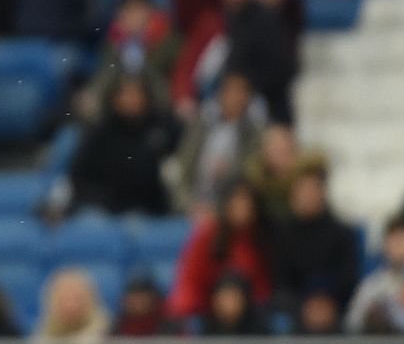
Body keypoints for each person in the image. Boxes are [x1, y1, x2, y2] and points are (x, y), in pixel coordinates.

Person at [63, 76, 177, 217]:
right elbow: (79, 177)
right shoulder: (100, 133)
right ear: (114, 98)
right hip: (100, 208)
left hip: (145, 212)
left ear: (147, 98)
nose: (130, 100)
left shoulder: (161, 133)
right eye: (125, 94)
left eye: (136, 94)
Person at [169, 182, 272, 320]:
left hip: (248, 315)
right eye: (236, 204)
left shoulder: (261, 239)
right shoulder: (207, 236)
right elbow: (191, 281)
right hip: (207, 310)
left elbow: (262, 286)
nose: (242, 209)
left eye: (248, 205)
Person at [172, 71, 267, 213]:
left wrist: (228, 172)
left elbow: (249, 176)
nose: (236, 98)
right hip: (192, 205)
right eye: (231, 92)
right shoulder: (201, 124)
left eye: (241, 93)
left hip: (228, 210)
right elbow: (182, 168)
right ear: (220, 94)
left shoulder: (254, 134)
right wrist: (190, 205)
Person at [271, 167, 361, 311]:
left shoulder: (342, 234)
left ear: (322, 194)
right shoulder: (282, 235)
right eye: (301, 191)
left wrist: (325, 300)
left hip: (333, 308)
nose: (306, 197)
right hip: (295, 310)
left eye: (311, 191)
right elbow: (281, 281)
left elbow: (348, 280)